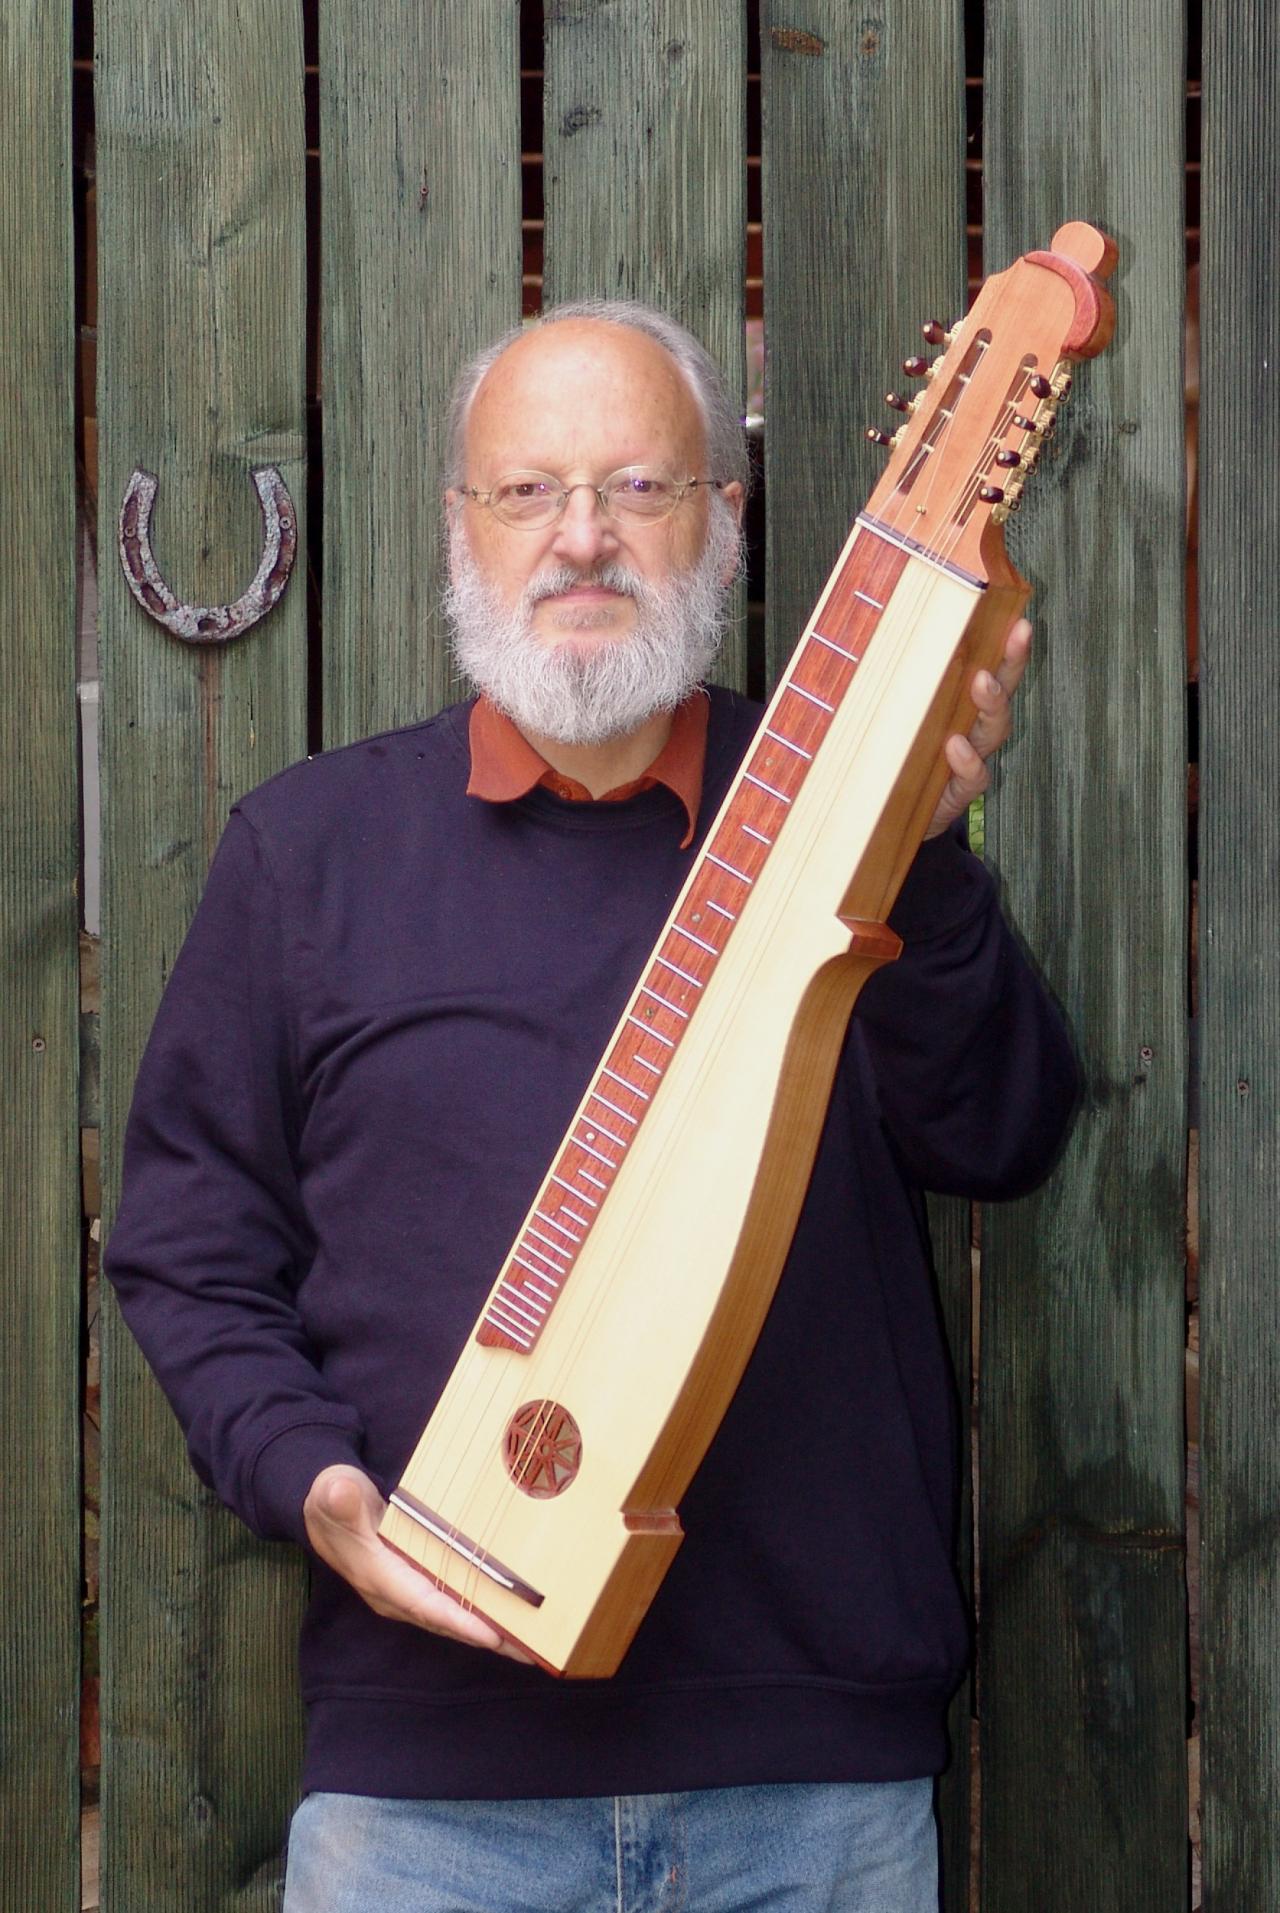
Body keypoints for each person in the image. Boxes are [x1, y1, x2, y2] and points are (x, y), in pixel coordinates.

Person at [107, 301, 1078, 1912]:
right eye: (527, 490)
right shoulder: (310, 852)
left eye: (638, 486)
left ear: (722, 520)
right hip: (425, 1800)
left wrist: (918, 860)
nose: (582, 537)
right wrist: (311, 1477)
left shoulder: (849, 809)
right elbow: (188, 1244)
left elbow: (1004, 1135)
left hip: (810, 1785)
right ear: (460, 528)